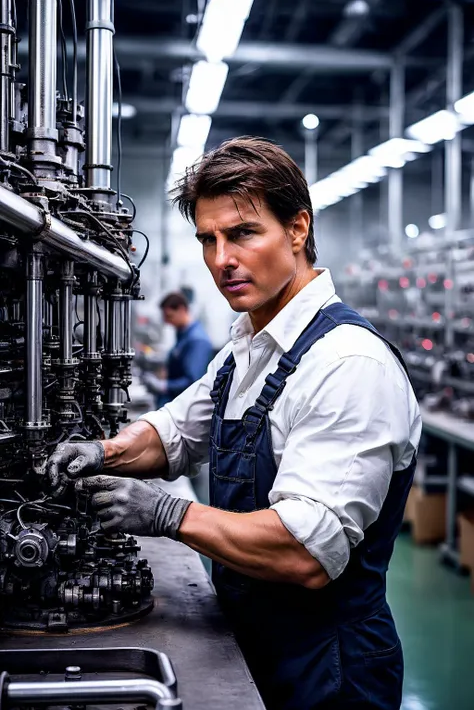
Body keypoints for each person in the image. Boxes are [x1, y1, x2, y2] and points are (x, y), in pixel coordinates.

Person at [47, 137, 421, 710]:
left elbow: (305, 551)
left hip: (329, 665)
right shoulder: (248, 346)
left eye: (243, 233)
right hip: (257, 638)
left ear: (297, 230)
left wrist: (167, 513)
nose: (222, 258)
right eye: (208, 239)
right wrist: (101, 452)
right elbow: (175, 432)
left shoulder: (348, 364)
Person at [141, 291, 214, 408]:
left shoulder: (197, 340)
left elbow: (193, 382)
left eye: (169, 316)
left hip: (186, 408)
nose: (167, 321)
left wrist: (164, 386)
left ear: (182, 309)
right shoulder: (182, 335)